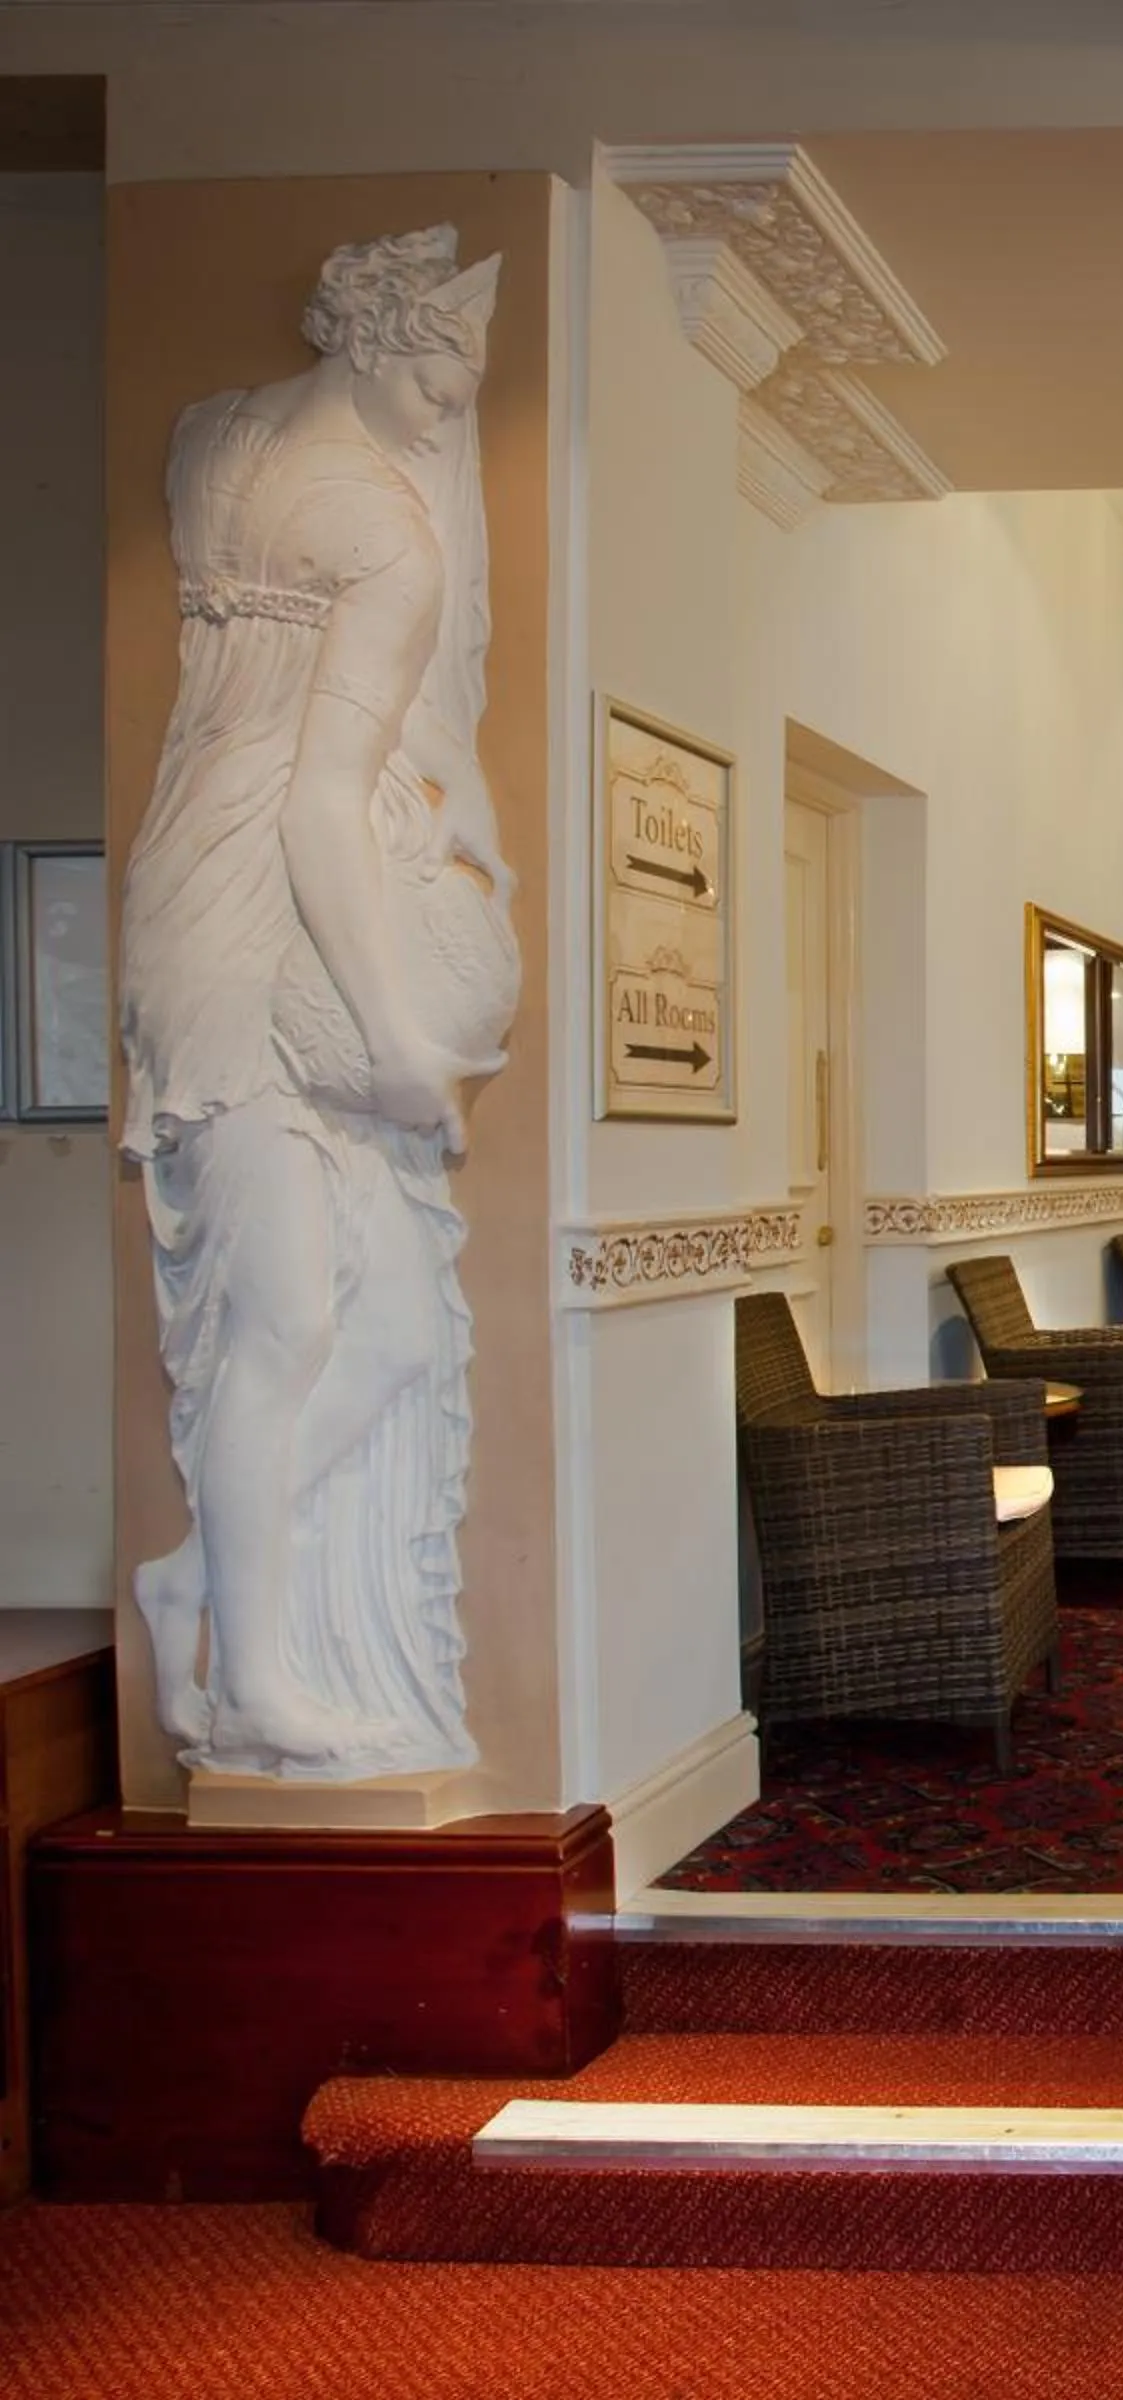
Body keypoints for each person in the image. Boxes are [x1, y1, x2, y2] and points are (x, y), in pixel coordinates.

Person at [118, 226, 518, 1779]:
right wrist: (404, 1038)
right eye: (440, 366)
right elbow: (317, 805)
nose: (451, 404)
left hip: (206, 865)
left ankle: (199, 1576)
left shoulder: (210, 438)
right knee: (283, 1312)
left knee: (398, 1332)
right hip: (248, 920)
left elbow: (365, 746)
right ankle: (263, 1681)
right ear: (370, 332)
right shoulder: (386, 535)